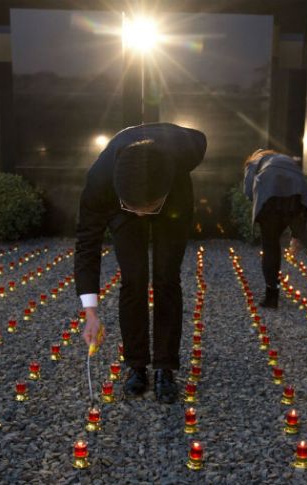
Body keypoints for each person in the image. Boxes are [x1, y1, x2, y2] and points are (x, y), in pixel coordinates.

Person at [75, 122, 207, 403]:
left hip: (172, 206)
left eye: (147, 210)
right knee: (133, 278)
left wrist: (157, 205)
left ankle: (165, 367)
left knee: (166, 278)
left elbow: (200, 137)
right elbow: (87, 245)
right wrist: (91, 312)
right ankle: (136, 365)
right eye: (136, 209)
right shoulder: (100, 183)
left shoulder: (184, 156)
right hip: (121, 200)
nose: (143, 217)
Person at [243, 148, 307, 308]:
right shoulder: (283, 159)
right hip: (294, 200)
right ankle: (295, 238)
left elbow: (248, 191)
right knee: (276, 242)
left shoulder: (253, 162)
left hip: (269, 202)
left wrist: (257, 202)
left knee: (270, 246)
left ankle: (271, 295)